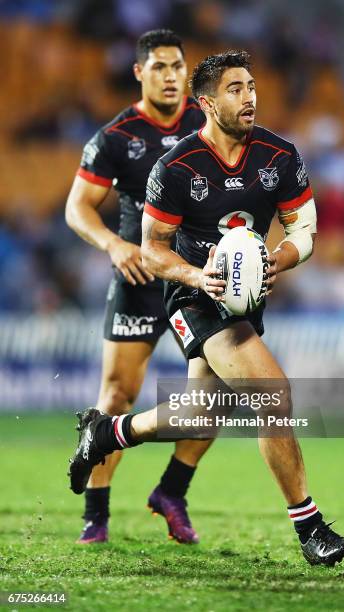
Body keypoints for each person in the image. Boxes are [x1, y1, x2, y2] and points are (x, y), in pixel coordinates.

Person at [68, 50, 344, 566]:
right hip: (194, 295)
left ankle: (109, 431)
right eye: (234, 89)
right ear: (206, 102)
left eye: (251, 86)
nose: (249, 97)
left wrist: (280, 259)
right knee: (273, 396)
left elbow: (304, 230)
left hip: (246, 296)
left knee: (201, 411)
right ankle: (311, 528)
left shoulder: (279, 155)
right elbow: (154, 248)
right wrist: (195, 275)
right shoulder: (176, 167)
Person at [65, 29, 213, 545]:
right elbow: (77, 207)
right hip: (139, 277)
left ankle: (172, 490)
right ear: (139, 72)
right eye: (160, 67)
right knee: (117, 394)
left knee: (216, 394)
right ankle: (96, 516)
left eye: (178, 67)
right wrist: (112, 244)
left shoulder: (207, 122)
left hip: (196, 282)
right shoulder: (116, 136)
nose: (171, 76)